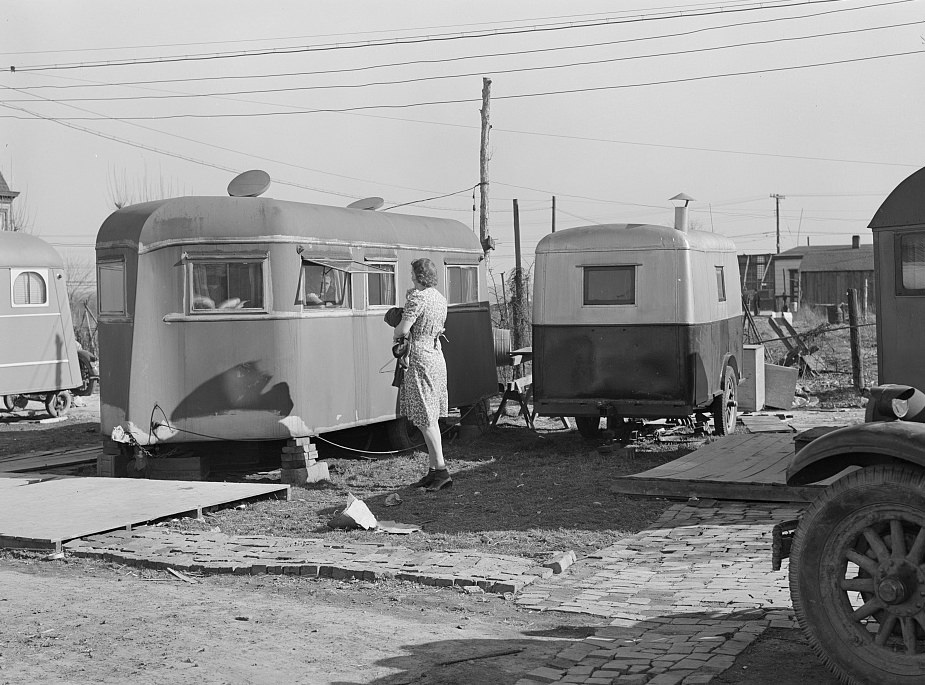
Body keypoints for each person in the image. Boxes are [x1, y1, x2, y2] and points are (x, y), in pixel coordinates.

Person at [391, 257, 451, 491]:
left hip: (420, 358)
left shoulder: (418, 298)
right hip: (436, 356)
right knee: (430, 416)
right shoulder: (439, 298)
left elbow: (402, 330)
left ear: (418, 275)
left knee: (425, 418)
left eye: (413, 274)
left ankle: (442, 471)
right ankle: (434, 470)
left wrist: (397, 324)